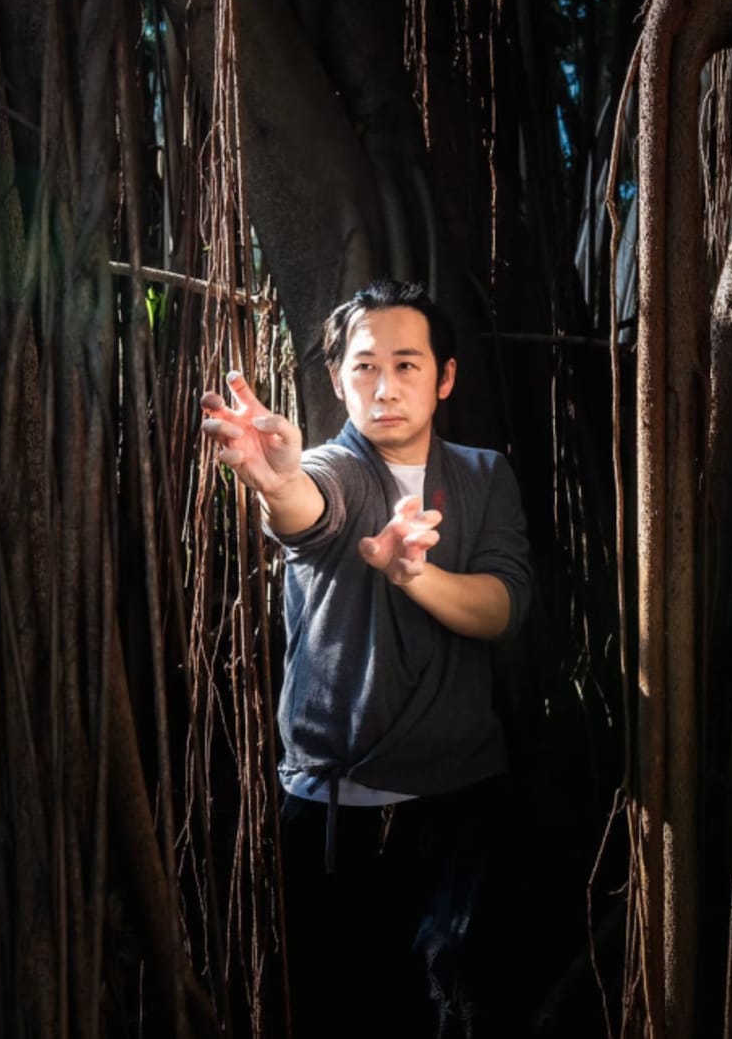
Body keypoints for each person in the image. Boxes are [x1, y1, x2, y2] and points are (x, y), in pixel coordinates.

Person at [200, 279, 533, 1037]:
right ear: (336, 378)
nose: (385, 387)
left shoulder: (482, 475)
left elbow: (504, 608)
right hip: (330, 808)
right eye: (364, 367)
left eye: (407, 365)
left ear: (444, 377)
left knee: (462, 1007)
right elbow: (307, 511)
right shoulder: (335, 468)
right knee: (345, 1007)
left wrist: (416, 574)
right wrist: (278, 481)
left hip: (458, 799)